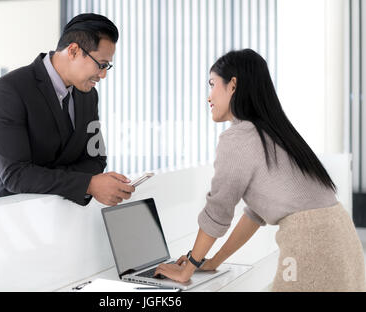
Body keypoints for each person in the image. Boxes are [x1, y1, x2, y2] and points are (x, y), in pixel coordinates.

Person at [155, 49, 366, 291]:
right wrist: (214, 261)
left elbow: (218, 210)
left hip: (311, 247)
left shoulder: (238, 138)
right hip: (343, 241)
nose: (208, 96)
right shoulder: (273, 132)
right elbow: (254, 214)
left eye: (212, 84)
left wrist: (187, 268)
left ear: (232, 86)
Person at [0, 13, 135, 206]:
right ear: (74, 51)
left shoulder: (88, 95)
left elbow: (96, 158)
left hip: (58, 213)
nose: (102, 75)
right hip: (6, 215)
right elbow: (16, 174)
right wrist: (88, 184)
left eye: (107, 67)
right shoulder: (7, 91)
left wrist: (75, 182)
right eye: (101, 65)